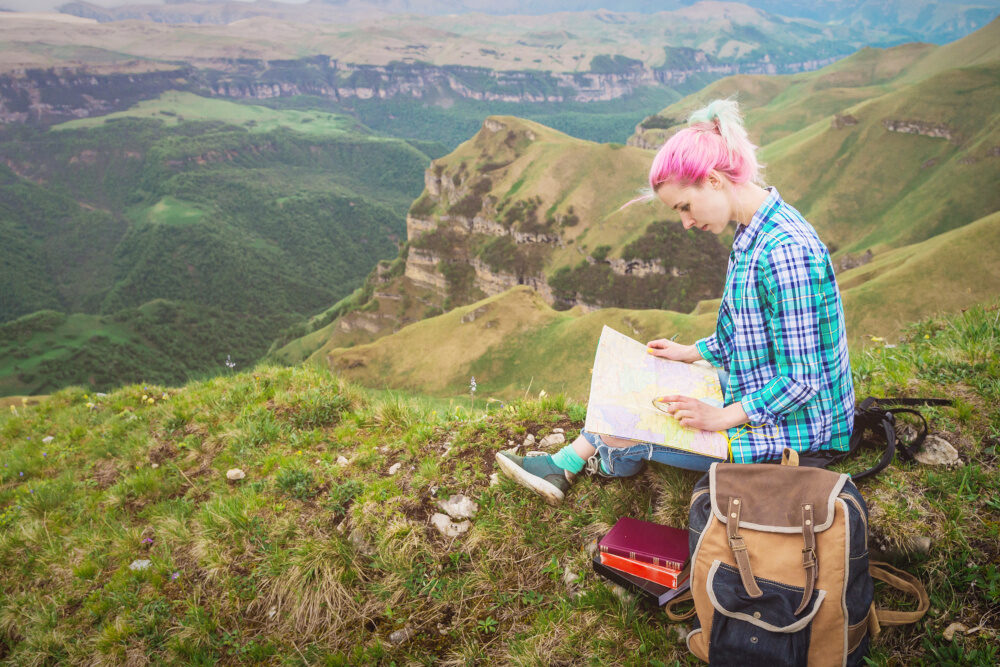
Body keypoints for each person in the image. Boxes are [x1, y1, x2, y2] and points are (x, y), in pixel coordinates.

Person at [495, 98, 855, 505]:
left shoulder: (784, 252)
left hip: (804, 434)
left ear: (715, 180)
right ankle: (568, 463)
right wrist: (691, 352)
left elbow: (802, 381)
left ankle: (600, 461)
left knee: (628, 428)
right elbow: (749, 330)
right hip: (761, 391)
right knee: (643, 384)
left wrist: (721, 418)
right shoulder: (754, 229)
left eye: (685, 206)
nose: (686, 222)